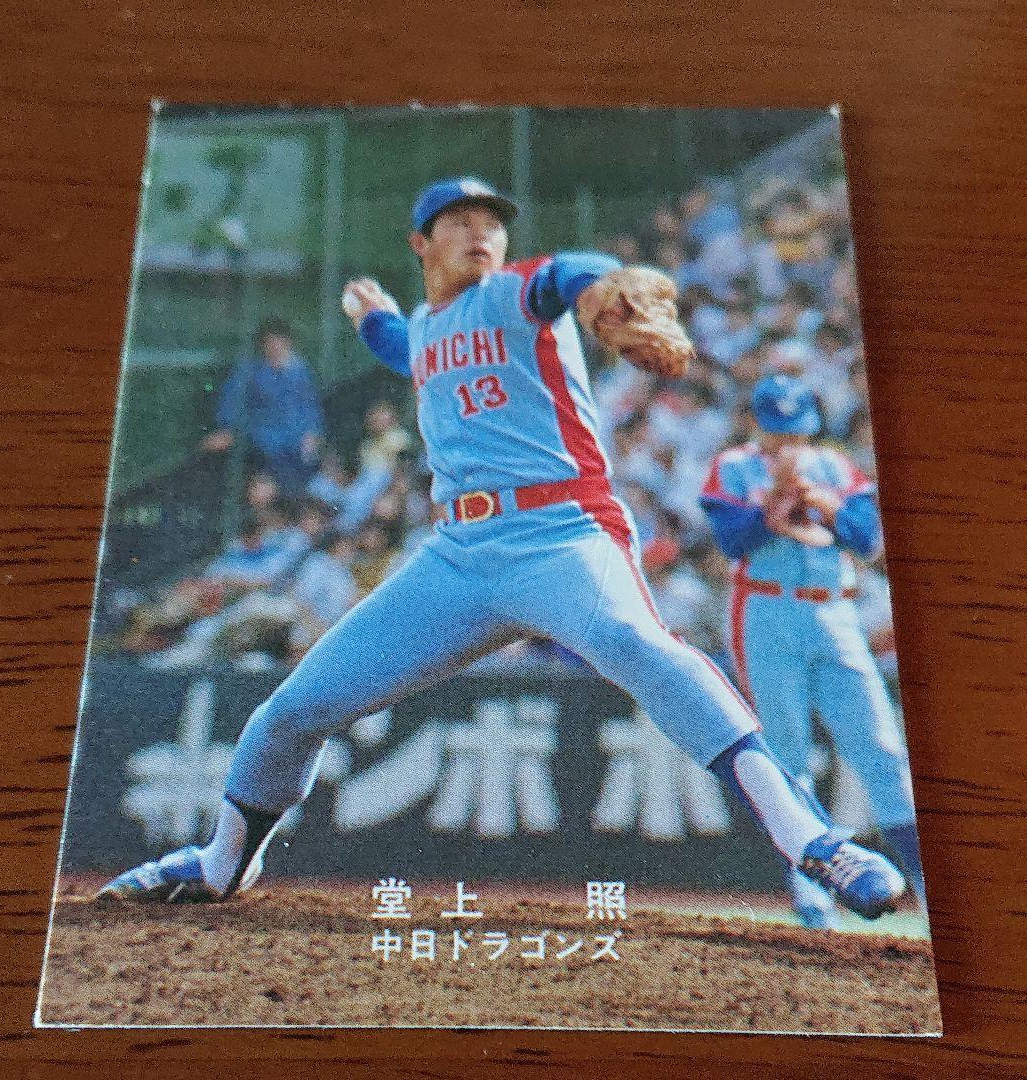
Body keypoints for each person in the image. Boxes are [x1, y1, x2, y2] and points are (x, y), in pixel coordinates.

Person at [100, 177, 905, 922]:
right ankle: (222, 864)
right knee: (291, 711)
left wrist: (604, 288)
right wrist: (369, 314)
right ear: (421, 243)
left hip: (563, 535)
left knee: (641, 646)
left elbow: (568, 275)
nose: (481, 232)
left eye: (491, 221)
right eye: (459, 222)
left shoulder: (518, 291)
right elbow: (405, 345)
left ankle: (815, 842)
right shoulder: (426, 330)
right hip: (458, 555)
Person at [699, 374, 924, 928]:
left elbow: (867, 538)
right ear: (758, 423)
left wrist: (826, 507)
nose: (788, 440)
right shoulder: (734, 466)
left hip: (834, 611)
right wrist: (774, 506)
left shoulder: (836, 467)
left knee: (882, 748)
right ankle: (814, 899)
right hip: (766, 608)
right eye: (779, 429)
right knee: (786, 754)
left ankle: (927, 887)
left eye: (796, 429)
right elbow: (732, 540)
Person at [202, 317, 325, 496]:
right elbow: (231, 403)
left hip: (297, 450)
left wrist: (313, 433)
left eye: (279, 341)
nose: (274, 347)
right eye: (269, 342)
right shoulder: (249, 371)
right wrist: (228, 430)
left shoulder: (301, 371)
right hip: (261, 446)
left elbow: (311, 409)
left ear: (288, 343)